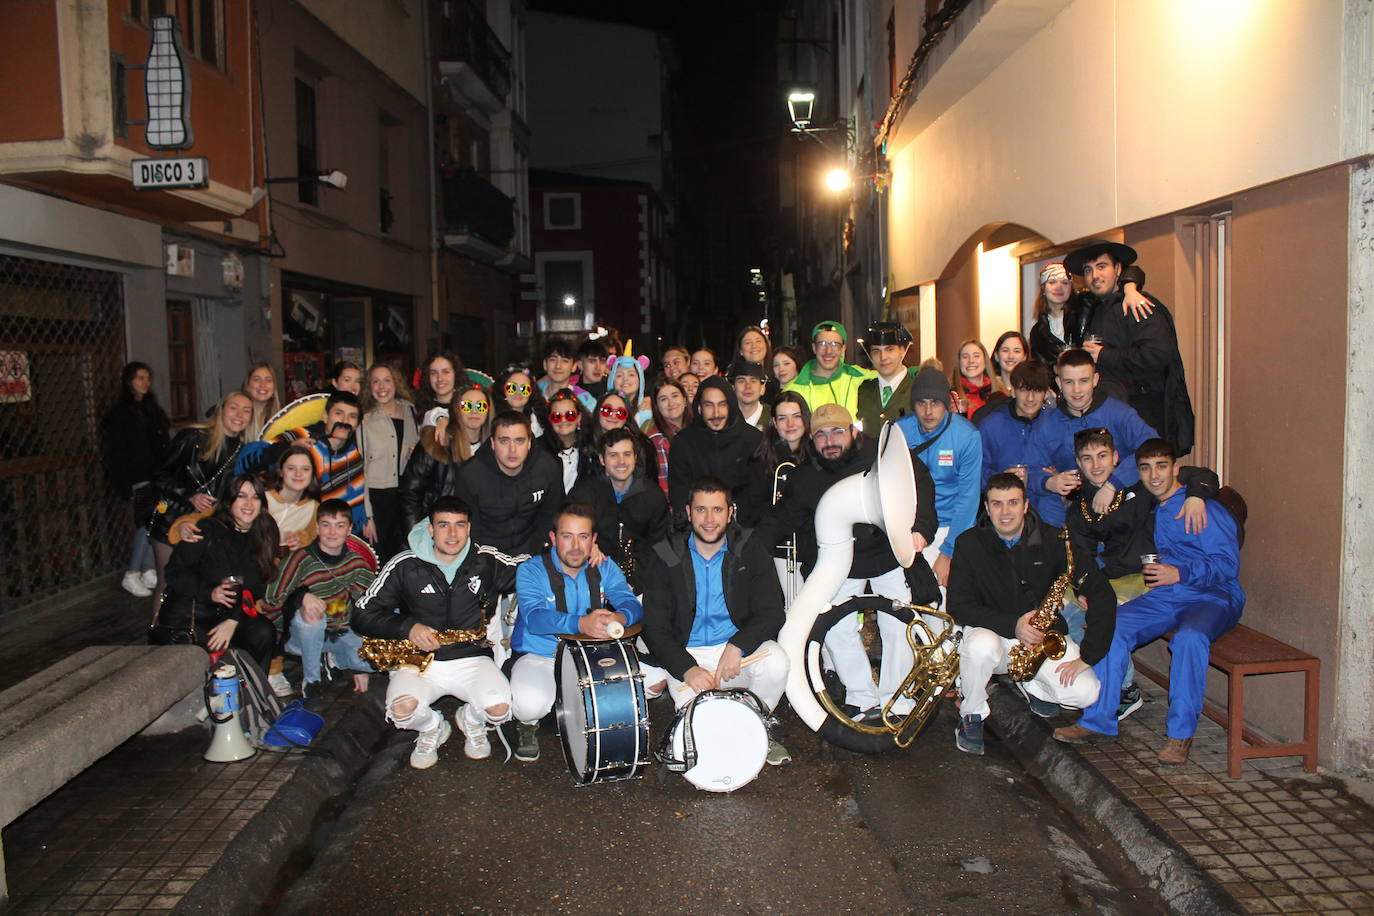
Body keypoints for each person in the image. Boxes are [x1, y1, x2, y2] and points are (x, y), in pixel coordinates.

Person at [1054, 439, 1244, 765]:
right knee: (1111, 624)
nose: (1154, 475)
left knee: (1189, 639)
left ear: (1175, 469)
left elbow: (1228, 565)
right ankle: (1099, 718)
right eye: (1146, 468)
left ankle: (1180, 735)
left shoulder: (1203, 508)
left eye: (1161, 466)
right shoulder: (1150, 507)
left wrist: (1180, 572)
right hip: (1166, 595)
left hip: (1214, 597)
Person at [755, 404, 938, 720]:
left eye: (837, 431)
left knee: (898, 625)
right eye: (821, 435)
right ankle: (861, 697)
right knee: (835, 627)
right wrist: (752, 549)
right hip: (838, 559)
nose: (830, 441)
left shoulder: (882, 454)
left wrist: (921, 527)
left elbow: (918, 482)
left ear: (853, 431)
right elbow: (783, 517)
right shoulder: (806, 475)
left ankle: (898, 699)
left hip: (886, 551)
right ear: (812, 440)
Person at [947, 473, 1117, 755]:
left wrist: (1090, 655)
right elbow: (958, 606)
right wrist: (1012, 625)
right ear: (987, 508)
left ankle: (1031, 682)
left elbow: (1102, 593)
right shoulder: (969, 543)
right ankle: (972, 714)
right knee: (978, 647)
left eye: (1012, 503)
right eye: (997, 504)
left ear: (1026, 505)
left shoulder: (1056, 540)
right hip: (994, 635)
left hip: (1040, 640)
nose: (1005, 512)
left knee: (1086, 692)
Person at [352, 496, 524, 768]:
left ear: (469, 528)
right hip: (419, 661)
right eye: (443, 525)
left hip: (472, 658)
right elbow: (362, 613)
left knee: (501, 709)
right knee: (401, 711)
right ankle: (432, 727)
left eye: (460, 525)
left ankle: (470, 719)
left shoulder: (486, 560)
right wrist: (407, 627)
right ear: (430, 529)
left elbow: (534, 568)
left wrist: (575, 549)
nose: (452, 534)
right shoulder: (405, 564)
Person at [1063, 428, 1218, 720]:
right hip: (1108, 578)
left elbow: (1204, 475)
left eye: (1102, 456)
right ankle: (1090, 685)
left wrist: (1196, 496)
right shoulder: (1080, 505)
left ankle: (1124, 690)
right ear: (1078, 463)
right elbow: (1080, 556)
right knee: (1069, 616)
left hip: (1147, 578)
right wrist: (1085, 588)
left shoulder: (1143, 485)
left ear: (1116, 458)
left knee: (1108, 616)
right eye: (1087, 458)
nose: (1096, 465)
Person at [640, 478, 792, 765]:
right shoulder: (666, 555)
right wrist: (687, 669)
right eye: (701, 510)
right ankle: (731, 730)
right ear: (688, 512)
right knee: (705, 740)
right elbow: (654, 626)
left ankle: (760, 727)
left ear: (730, 512)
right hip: (689, 653)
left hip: (734, 651)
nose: (709, 520)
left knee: (777, 661)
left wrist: (738, 645)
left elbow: (772, 611)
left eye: (717, 510)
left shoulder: (751, 548)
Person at [508, 502, 654, 762]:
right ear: (553, 538)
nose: (576, 546)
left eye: (583, 536)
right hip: (541, 654)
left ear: (593, 539)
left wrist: (619, 617)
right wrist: (581, 624)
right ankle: (527, 725)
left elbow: (632, 604)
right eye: (567, 536)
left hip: (589, 654)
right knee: (530, 703)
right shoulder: (530, 570)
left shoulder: (604, 566)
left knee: (651, 683)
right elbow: (535, 619)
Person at [1065, 239, 1194, 454]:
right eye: (1088, 270)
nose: (1095, 276)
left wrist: (1105, 355)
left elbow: (1158, 354)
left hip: (1143, 418)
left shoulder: (1136, 305)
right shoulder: (1095, 308)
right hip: (1111, 417)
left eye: (1102, 266)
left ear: (1117, 270)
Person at [150, 475, 280, 669]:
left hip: (228, 611)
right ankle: (223, 692)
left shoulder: (264, 532)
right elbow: (174, 573)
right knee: (223, 648)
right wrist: (210, 592)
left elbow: (255, 585)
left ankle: (254, 693)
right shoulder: (207, 529)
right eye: (241, 496)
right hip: (192, 612)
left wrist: (232, 620)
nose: (249, 503)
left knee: (264, 632)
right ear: (229, 501)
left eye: (255, 497)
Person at [1022, 348, 1158, 529]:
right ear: (1059, 383)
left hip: (1120, 500)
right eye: (1069, 382)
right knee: (1045, 498)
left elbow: (1152, 449)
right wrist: (1048, 482)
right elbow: (1030, 468)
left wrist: (1113, 484)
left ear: (1095, 380)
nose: (1076, 390)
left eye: (1083, 381)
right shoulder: (1047, 423)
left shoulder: (1119, 413)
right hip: (1070, 507)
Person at [262, 499, 376, 701]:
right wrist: (301, 598)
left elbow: (369, 603)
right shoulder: (300, 559)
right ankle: (312, 681)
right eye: (326, 525)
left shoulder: (356, 563)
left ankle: (337, 659)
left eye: (339, 526)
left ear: (349, 529)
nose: (332, 532)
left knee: (377, 661)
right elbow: (272, 597)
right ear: (317, 527)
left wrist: (360, 669)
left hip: (339, 630)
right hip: (300, 635)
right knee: (314, 617)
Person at [148, 390, 253, 601]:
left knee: (196, 583)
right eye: (233, 407)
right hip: (172, 518)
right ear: (220, 410)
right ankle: (158, 633)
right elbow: (158, 475)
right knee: (167, 585)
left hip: (205, 526)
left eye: (246, 410)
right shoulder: (192, 437)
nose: (239, 414)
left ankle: (190, 632)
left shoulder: (244, 451)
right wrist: (189, 495)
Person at [893, 367, 982, 592]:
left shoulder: (967, 436)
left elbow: (968, 499)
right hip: (909, 526)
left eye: (935, 402)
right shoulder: (899, 431)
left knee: (944, 600)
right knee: (907, 600)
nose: (928, 411)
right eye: (921, 403)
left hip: (949, 526)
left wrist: (948, 552)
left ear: (947, 403)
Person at [569, 428, 669, 593]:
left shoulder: (652, 496)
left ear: (635, 458)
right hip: (589, 580)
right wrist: (585, 544)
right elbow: (563, 531)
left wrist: (635, 584)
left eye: (627, 454)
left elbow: (660, 546)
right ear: (602, 459)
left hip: (641, 583)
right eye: (613, 455)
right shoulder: (583, 493)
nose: (621, 461)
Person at [252, 391, 368, 533]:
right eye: (339, 413)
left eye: (352, 416)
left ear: (357, 424)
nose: (345, 420)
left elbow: (357, 498)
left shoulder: (353, 453)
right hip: (292, 527)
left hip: (336, 532)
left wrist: (368, 518)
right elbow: (252, 456)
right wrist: (289, 447)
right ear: (325, 416)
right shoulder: (302, 436)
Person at [102, 361, 170, 597]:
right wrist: (123, 483)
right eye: (140, 378)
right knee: (146, 522)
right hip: (139, 479)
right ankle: (131, 573)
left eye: (147, 378)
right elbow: (115, 452)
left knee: (157, 519)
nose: (145, 383)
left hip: (157, 478)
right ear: (129, 381)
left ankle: (149, 568)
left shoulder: (151, 409)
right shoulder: (121, 414)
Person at [667, 376, 765, 526]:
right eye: (709, 405)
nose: (716, 413)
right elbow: (680, 497)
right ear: (699, 408)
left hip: (744, 530)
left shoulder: (753, 439)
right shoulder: (683, 443)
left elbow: (758, 495)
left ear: (731, 406)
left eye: (722, 405)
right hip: (696, 530)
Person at [398, 385, 491, 533]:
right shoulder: (435, 441)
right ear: (456, 409)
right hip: (434, 534)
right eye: (466, 405)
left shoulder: (493, 448)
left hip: (474, 535)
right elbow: (409, 495)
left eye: (481, 406)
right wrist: (419, 537)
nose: (474, 411)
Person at [1029, 261, 1150, 372]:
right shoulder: (1037, 333)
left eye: (1065, 282)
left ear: (1071, 287)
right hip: (1062, 390)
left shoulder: (1087, 303)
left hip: (1102, 380)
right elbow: (1041, 371)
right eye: (1052, 282)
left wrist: (1130, 288)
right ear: (1043, 288)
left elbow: (1133, 271)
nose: (1059, 287)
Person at [750, 391, 813, 602]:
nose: (790, 423)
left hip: (814, 548)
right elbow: (757, 507)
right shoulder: (763, 460)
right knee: (793, 607)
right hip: (782, 551)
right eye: (783, 418)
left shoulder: (819, 454)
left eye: (796, 416)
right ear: (774, 423)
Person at [359, 364, 418, 560]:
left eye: (387, 380)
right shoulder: (364, 421)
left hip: (405, 497)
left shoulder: (411, 412)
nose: (381, 386)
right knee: (378, 557)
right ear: (369, 386)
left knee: (404, 557)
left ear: (396, 383)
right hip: (377, 499)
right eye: (375, 381)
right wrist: (367, 516)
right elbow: (361, 471)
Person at [977, 359, 1052, 490]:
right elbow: (975, 472)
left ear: (1046, 394)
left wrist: (1058, 475)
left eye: (1037, 391)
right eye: (1023, 390)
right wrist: (1001, 478)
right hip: (1003, 500)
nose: (1030, 398)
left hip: (1046, 501)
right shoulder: (991, 426)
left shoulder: (1055, 423)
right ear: (1013, 391)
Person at [784, 321, 874, 415]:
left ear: (843, 348)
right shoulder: (794, 389)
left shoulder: (856, 375)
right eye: (822, 344)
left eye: (835, 344)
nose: (828, 351)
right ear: (814, 348)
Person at [854, 321, 915, 434]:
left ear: (902, 351)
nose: (883, 357)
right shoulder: (862, 391)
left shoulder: (917, 390)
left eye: (890, 349)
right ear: (870, 355)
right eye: (876, 351)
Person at [590, 391, 658, 486]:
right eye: (607, 410)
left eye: (620, 412)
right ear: (598, 412)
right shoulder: (585, 443)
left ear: (626, 418)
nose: (613, 416)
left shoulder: (642, 445)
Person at [643, 378, 692, 496]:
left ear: (685, 400)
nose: (671, 403)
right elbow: (666, 488)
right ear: (656, 406)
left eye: (675, 396)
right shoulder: (657, 440)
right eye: (663, 399)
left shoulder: (698, 429)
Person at [541, 388, 594, 494]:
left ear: (579, 418)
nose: (563, 420)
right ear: (549, 420)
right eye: (556, 416)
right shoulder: (537, 449)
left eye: (570, 415)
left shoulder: (591, 448)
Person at [537, 337, 594, 410]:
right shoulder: (534, 395)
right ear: (545, 364)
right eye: (553, 360)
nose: (558, 366)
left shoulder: (585, 401)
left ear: (574, 366)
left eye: (565, 361)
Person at [492, 366, 547, 439]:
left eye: (524, 389)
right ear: (502, 390)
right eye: (512, 387)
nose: (518, 393)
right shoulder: (491, 416)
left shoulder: (537, 419)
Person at [950, 339, 993, 418]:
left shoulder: (999, 394)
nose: (971, 361)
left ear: (985, 360)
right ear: (959, 363)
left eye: (976, 356)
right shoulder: (951, 397)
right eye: (965, 357)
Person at [607, 353, 653, 424]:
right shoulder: (605, 408)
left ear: (640, 379)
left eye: (631, 374)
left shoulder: (649, 409)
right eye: (619, 375)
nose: (625, 379)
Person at [241, 362, 282, 439]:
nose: (263, 384)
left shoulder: (282, 420)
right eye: (256, 379)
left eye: (268, 380)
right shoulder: (236, 417)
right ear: (248, 385)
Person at [730, 360, 771, 428]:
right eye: (741, 381)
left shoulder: (773, 416)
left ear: (762, 388)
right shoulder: (724, 417)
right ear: (733, 388)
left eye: (753, 381)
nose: (748, 386)